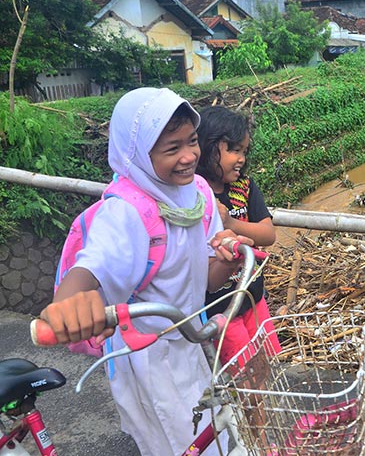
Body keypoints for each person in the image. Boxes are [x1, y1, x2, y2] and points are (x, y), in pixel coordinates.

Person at [39, 87, 252, 456]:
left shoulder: (196, 191)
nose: (189, 157)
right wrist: (69, 304)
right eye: (173, 148)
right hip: (146, 359)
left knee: (214, 436)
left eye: (192, 141)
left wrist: (225, 262)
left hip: (189, 342)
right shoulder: (125, 212)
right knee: (179, 444)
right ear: (137, 152)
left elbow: (205, 281)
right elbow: (92, 265)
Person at [196, 105, 281, 364]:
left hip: (253, 296)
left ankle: (262, 406)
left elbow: (267, 234)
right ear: (207, 147)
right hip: (220, 308)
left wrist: (229, 221)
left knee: (270, 362)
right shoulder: (195, 196)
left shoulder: (243, 187)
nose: (241, 158)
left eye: (244, 151)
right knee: (247, 376)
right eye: (233, 150)